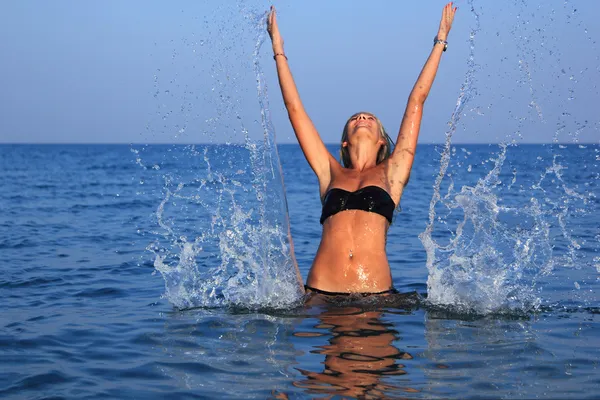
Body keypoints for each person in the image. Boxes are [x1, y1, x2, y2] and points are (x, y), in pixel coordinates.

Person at [267, 3, 457, 296]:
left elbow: (416, 101)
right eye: (355, 118)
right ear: (345, 140)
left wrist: (440, 40)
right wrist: (278, 49)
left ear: (382, 139)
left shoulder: (393, 172)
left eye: (370, 118)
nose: (362, 118)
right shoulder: (329, 172)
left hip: (377, 299)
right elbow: (295, 110)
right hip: (320, 295)